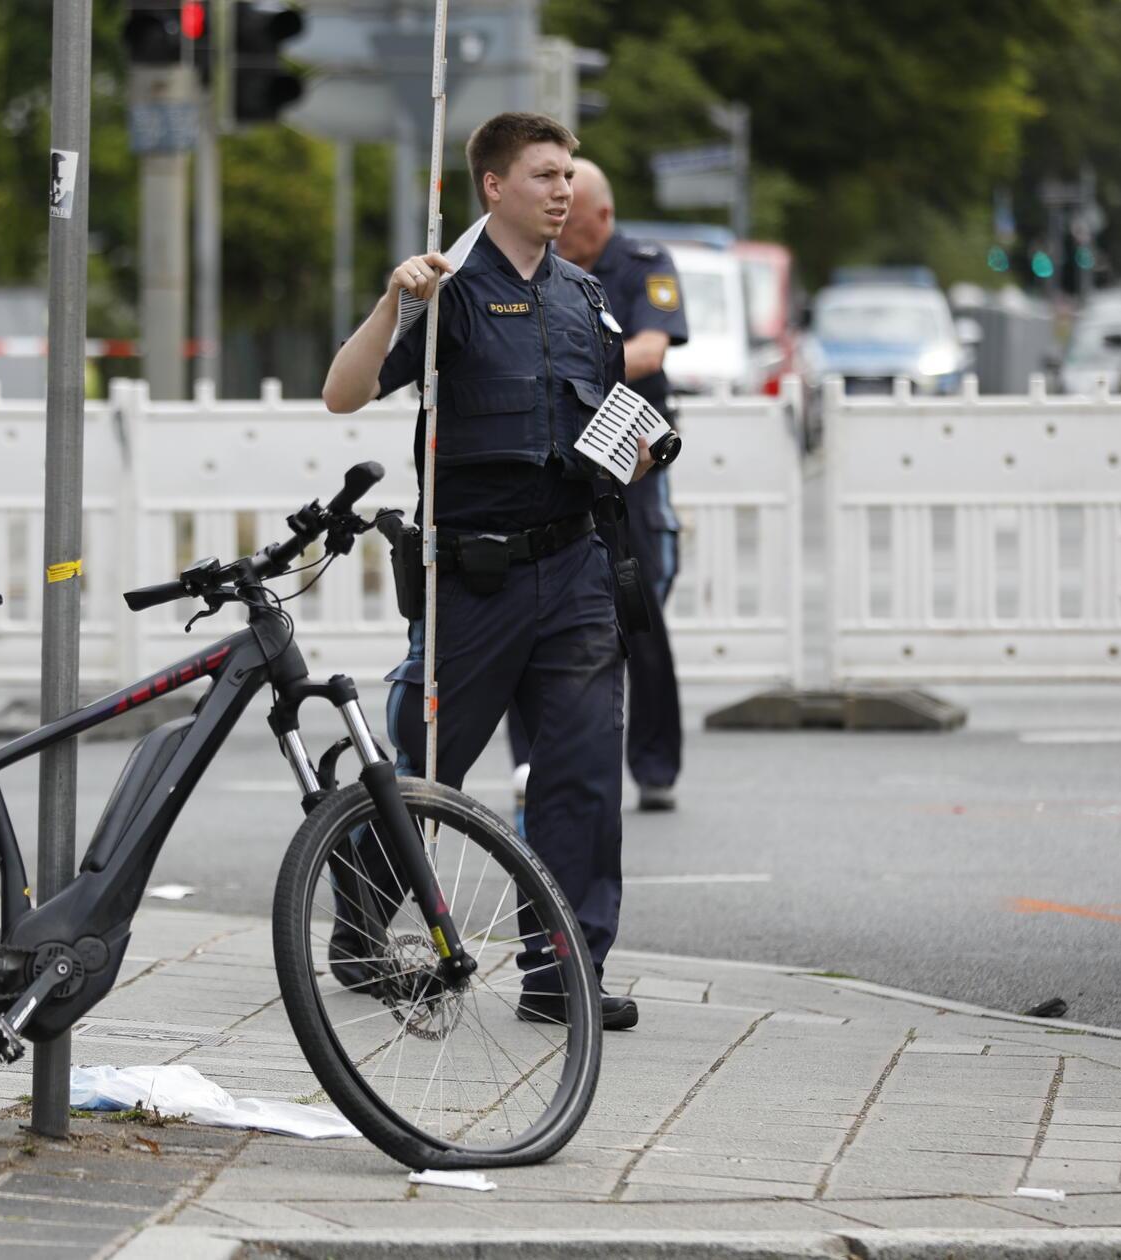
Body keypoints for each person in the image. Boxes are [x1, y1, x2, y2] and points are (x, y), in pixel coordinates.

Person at [321, 112, 656, 1032]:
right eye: (545, 175)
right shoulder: (447, 294)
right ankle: (357, 928)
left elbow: (608, 423)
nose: (563, 191)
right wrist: (396, 302)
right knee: (425, 769)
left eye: (568, 175)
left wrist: (635, 451)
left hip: (575, 570)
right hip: (475, 582)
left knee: (581, 779)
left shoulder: (586, 297)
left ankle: (563, 976)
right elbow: (342, 392)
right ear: (494, 187)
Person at [505, 157, 690, 812]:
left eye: (574, 224)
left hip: (626, 448)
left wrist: (577, 365)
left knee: (635, 603)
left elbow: (650, 349)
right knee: (535, 596)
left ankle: (655, 763)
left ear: (603, 217)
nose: (561, 235)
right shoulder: (536, 263)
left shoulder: (641, 261)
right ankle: (532, 761)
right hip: (557, 444)